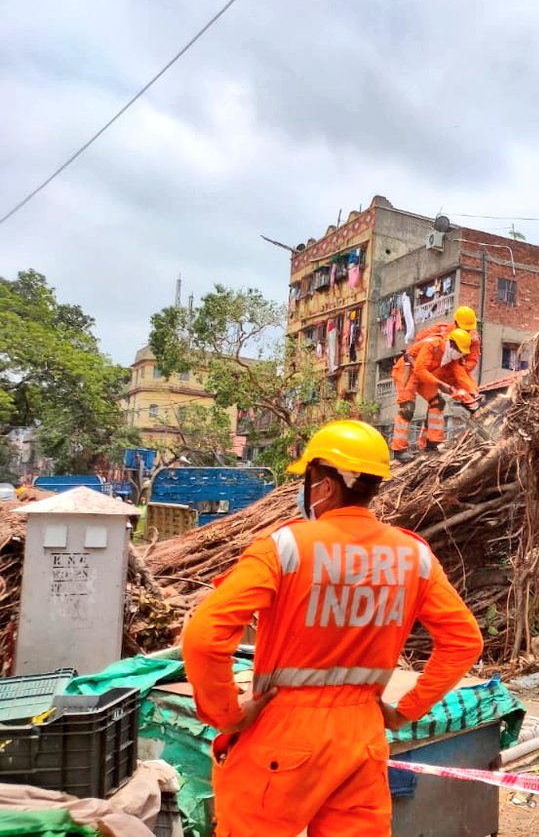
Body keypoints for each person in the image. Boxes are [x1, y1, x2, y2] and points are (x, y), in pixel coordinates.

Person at [181, 420, 483, 837]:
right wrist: (406, 711)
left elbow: (203, 637)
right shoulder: (415, 556)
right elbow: (464, 642)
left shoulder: (284, 548)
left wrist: (227, 715)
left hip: (282, 729)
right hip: (362, 733)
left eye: (307, 480)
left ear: (323, 485)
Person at [390, 328, 479, 461]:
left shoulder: (452, 358)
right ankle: (399, 450)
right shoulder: (434, 346)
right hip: (407, 370)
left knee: (437, 402)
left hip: (424, 376)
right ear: (452, 344)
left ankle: (431, 443)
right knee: (407, 409)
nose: (461, 354)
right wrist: (440, 384)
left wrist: (473, 394)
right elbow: (420, 369)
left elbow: (462, 377)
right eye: (460, 351)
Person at [414, 304, 481, 374]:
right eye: (464, 328)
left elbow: (472, 361)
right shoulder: (440, 329)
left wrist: (460, 369)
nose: (466, 331)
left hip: (451, 373)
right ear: (456, 323)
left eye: (468, 329)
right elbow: (419, 339)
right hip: (430, 368)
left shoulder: (473, 339)